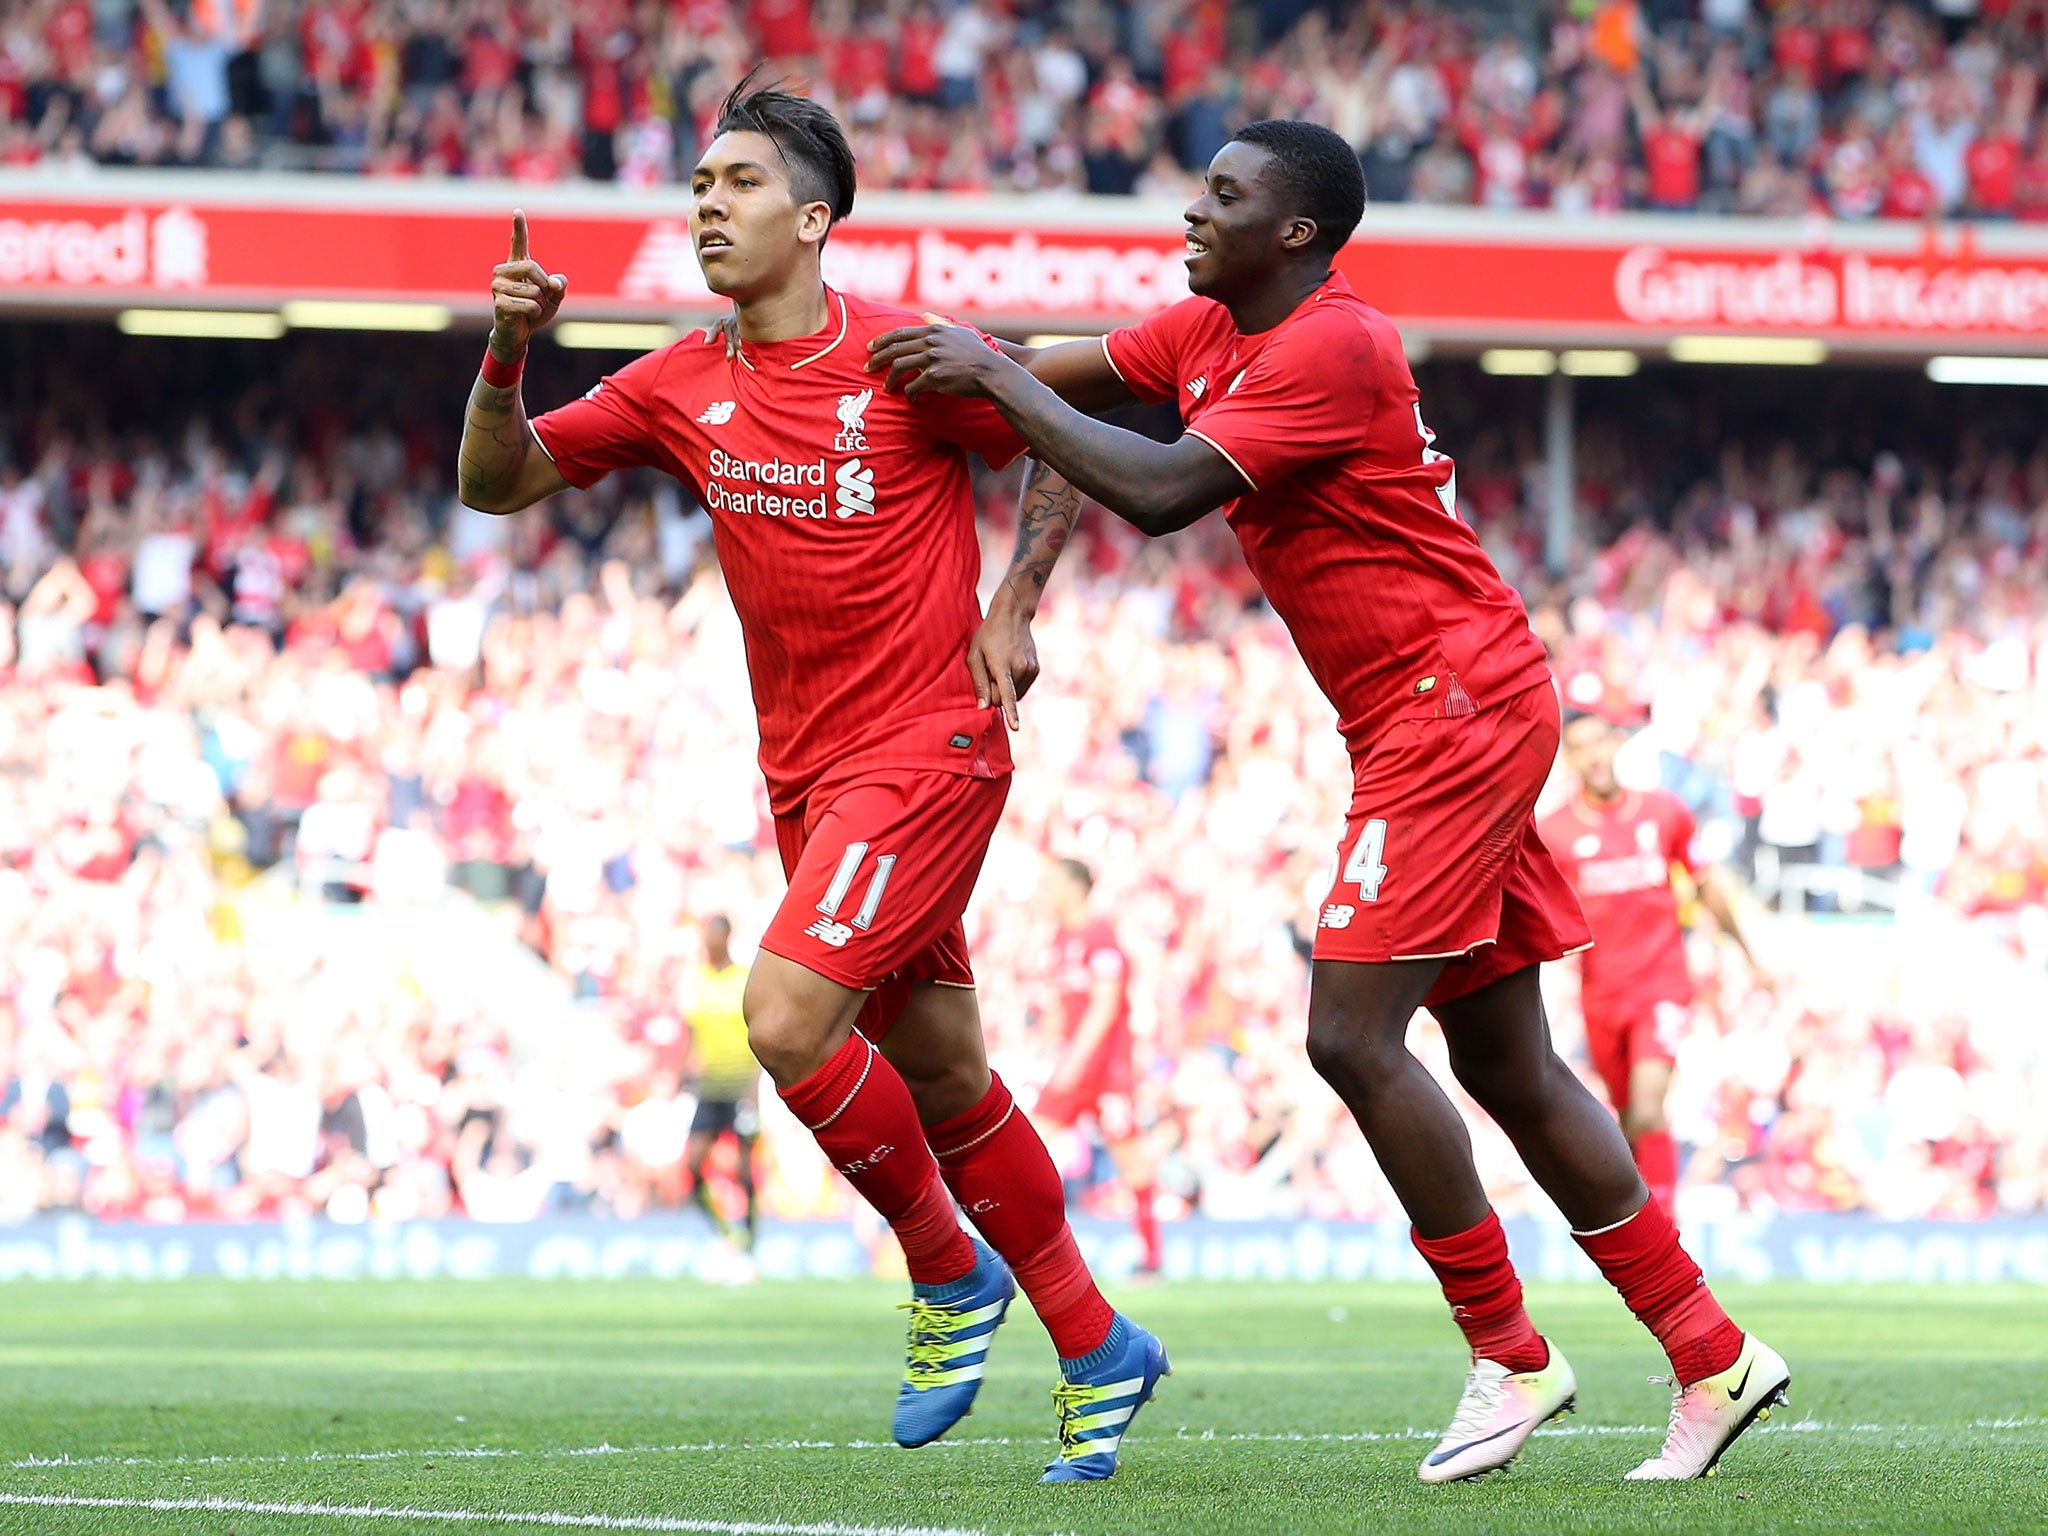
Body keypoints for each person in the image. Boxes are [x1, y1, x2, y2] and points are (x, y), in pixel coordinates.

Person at [862, 118, 1789, 1483]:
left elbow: (1165, 485)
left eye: (1223, 194)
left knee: (1350, 1036)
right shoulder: (1198, 334)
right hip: (1433, 707)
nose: (1192, 206)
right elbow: (1048, 398)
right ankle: (1713, 1353)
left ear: (1292, 232)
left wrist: (993, 382)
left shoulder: (1332, 345)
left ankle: (1511, 1355)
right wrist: (906, 410)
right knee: (1507, 1064)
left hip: (1449, 707)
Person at [453, 74, 1165, 1484]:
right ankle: (1097, 1346)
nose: (707, 205)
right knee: (947, 1074)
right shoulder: (676, 382)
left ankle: (946, 1273)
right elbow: (497, 484)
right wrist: (503, 354)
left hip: (932, 744)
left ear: (816, 216)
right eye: (700, 185)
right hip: (809, 779)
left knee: (783, 1015)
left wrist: (1017, 600)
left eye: (737, 184)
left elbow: (1057, 442)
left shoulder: (909, 354)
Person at [1539, 710, 1773, 1212]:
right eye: (1580, 747)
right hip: (1601, 993)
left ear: (1616, 744)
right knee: (1627, 1118)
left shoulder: (1664, 814)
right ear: (1569, 759)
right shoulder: (1555, 833)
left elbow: (1706, 886)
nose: (1594, 755)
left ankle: (1666, 1226)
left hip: (1662, 985)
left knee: (1647, 1109)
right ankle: (1640, 1230)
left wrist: (1749, 955)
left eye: (1601, 741)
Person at [1036, 859, 1161, 1277]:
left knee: (1131, 1159)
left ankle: (1151, 1259)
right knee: (1026, 1147)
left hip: (1106, 1069)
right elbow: (1059, 1005)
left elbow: (1105, 1006)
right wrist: (1049, 1053)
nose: (1047, 890)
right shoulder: (1058, 939)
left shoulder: (1100, 936)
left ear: (1075, 887)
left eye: (1054, 882)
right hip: (1073, 1066)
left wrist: (1071, 1062)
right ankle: (1021, 1249)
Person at [679, 915, 762, 1252]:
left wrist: (755, 1087)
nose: (709, 943)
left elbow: (758, 1033)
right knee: (693, 1164)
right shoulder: (697, 980)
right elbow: (692, 1034)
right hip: (710, 1087)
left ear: (726, 937)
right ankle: (723, 1231)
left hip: (741, 1085)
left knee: (744, 1167)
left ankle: (751, 1239)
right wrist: (683, 1076)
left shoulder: (744, 980)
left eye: (714, 936)